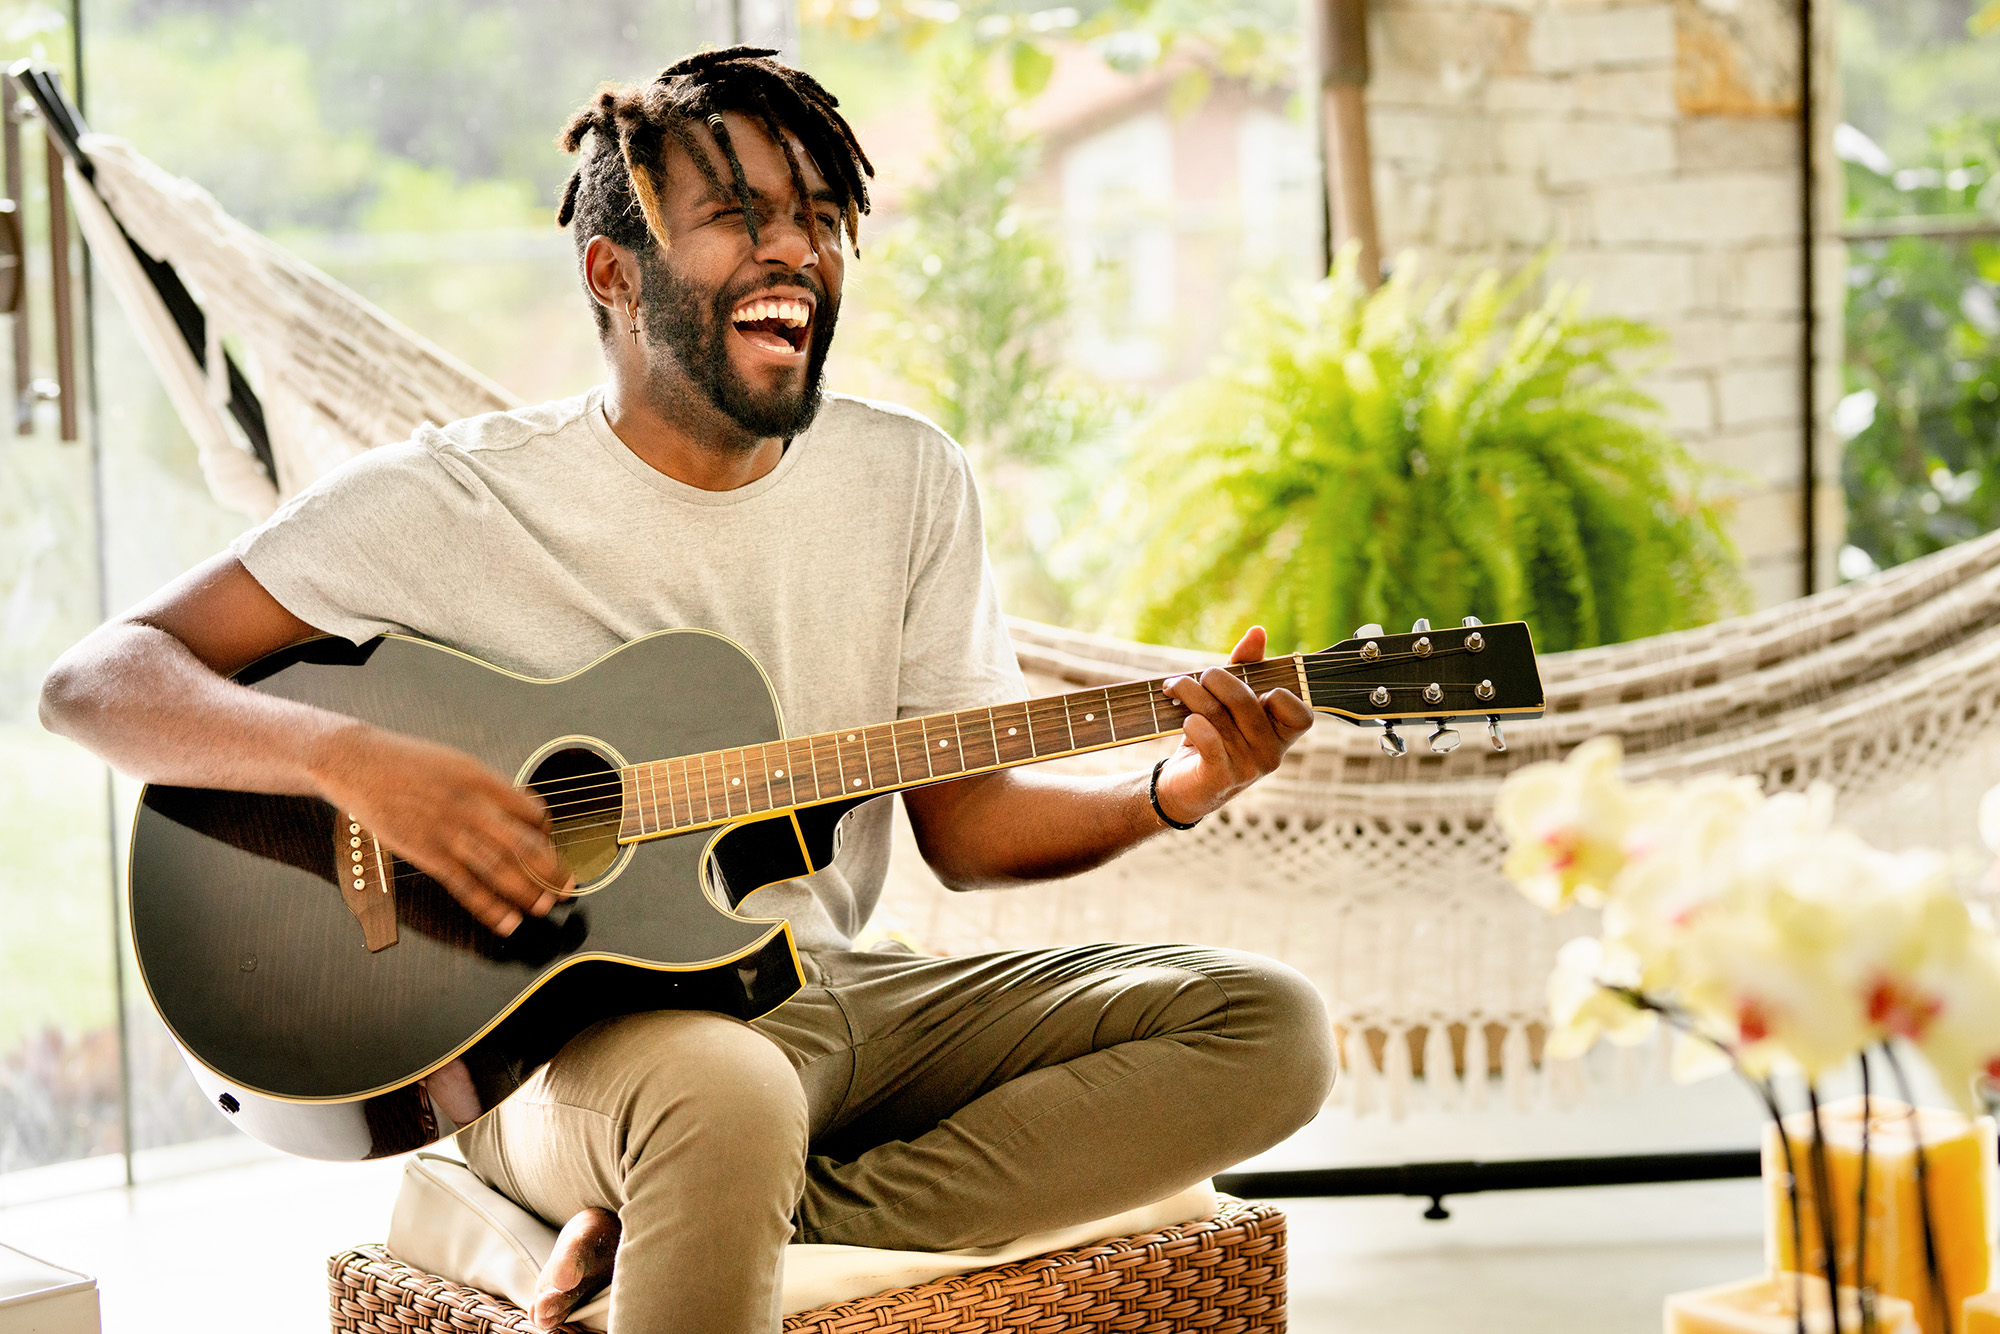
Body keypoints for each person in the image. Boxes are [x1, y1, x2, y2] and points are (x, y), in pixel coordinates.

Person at [39, 47, 1334, 1334]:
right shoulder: (462, 497)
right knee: (729, 1098)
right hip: (573, 1058)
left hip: (833, 993)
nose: (799, 250)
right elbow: (98, 681)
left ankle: (738, 1217)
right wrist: (348, 760)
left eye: (823, 219)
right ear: (613, 273)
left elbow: (969, 828)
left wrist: (1175, 784)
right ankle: (624, 1189)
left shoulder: (908, 480)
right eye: (741, 217)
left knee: (1270, 1025)